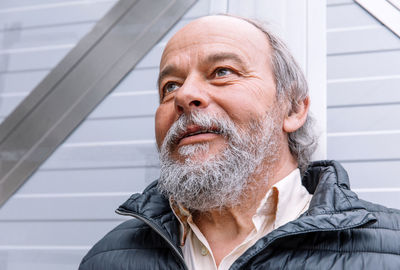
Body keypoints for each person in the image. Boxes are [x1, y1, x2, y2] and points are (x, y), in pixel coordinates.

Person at [79, 15, 400, 270]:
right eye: (169, 85)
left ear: (292, 108)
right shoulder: (106, 259)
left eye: (222, 71)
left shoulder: (391, 251)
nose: (185, 95)